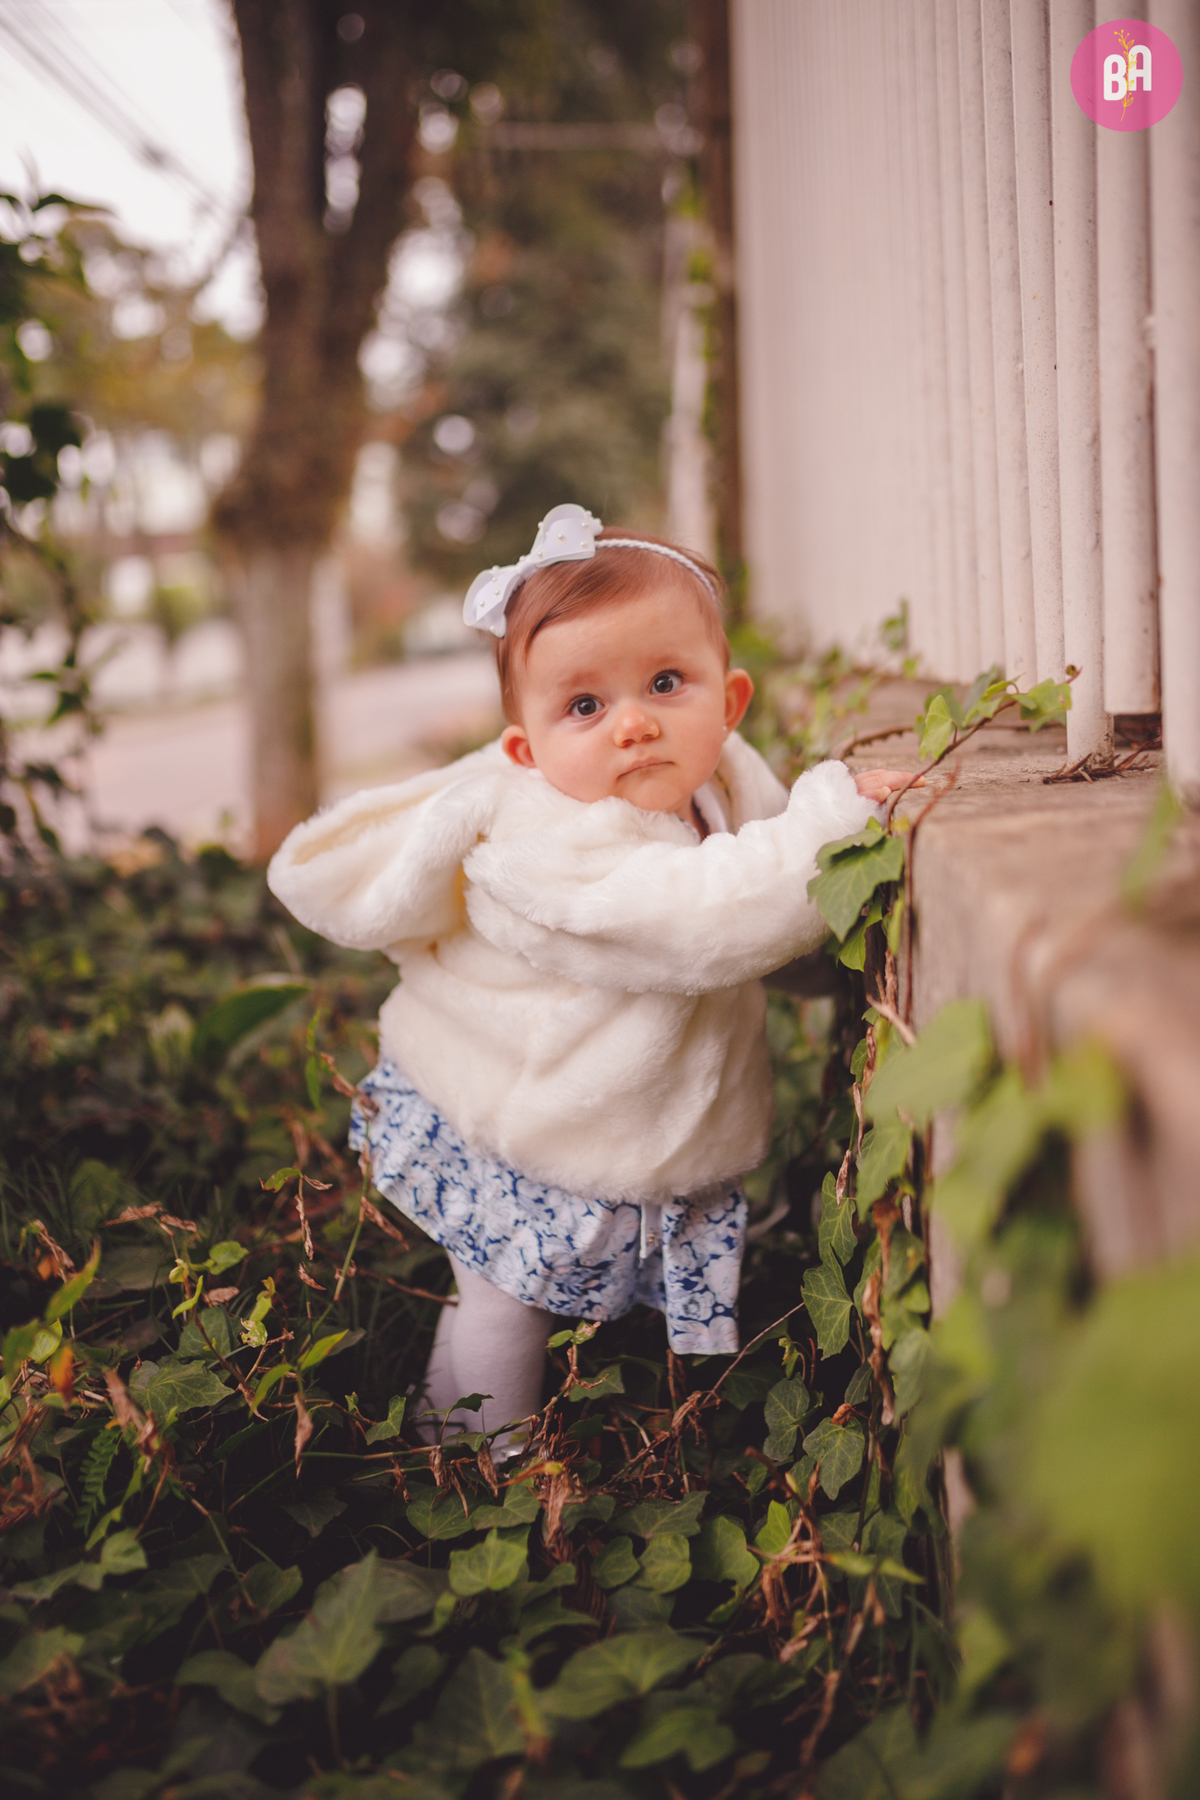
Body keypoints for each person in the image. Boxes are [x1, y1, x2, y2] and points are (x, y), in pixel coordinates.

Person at [267, 505, 914, 1454]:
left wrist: (830, 957)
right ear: (526, 748)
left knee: (497, 1295)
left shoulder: (721, 779)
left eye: (664, 682)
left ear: (727, 702)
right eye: (584, 706)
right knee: (502, 1301)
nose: (635, 724)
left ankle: (441, 1423)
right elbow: (702, 915)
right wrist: (831, 823)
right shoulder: (536, 849)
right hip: (519, 1117)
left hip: (598, 1109)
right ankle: (492, 1458)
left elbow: (772, 922)